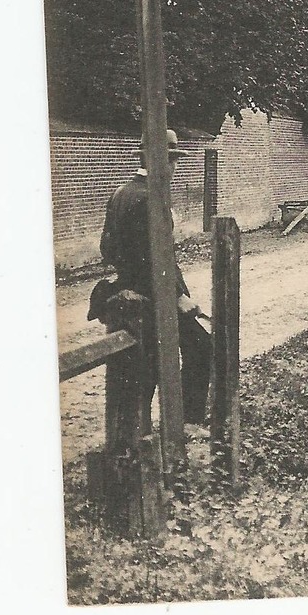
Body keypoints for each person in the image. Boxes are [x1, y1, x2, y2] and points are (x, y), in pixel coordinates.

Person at [98, 128, 213, 430]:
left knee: (146, 363)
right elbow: (152, 258)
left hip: (130, 291)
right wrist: (178, 297)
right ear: (155, 160)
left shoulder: (121, 193)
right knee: (199, 348)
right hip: (153, 295)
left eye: (174, 160)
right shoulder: (151, 199)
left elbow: (107, 249)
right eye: (170, 160)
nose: (174, 168)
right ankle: (187, 425)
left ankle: (150, 428)